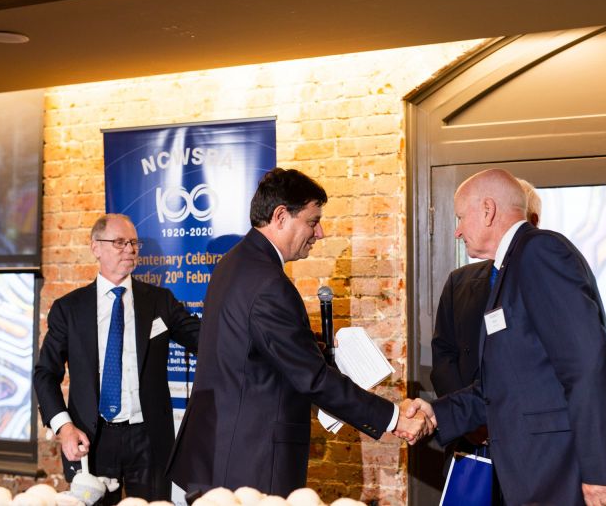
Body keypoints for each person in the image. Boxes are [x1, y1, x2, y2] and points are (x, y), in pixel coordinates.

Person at [167, 168, 432, 497]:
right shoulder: (269, 283)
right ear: (281, 216)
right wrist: (394, 418)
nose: (319, 232)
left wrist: (309, 345)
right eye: (312, 221)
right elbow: (313, 378)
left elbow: (253, 347)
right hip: (249, 460)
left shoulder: (235, 262)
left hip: (218, 452)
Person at [413, 169, 606, 506]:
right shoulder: (509, 267)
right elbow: (506, 385)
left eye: (460, 217)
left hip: (563, 470)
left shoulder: (540, 251)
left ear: (487, 210)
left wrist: (599, 471)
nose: (457, 230)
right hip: (534, 469)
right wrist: (436, 413)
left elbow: (587, 366)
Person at [33, 214, 201, 504]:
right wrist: (64, 427)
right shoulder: (69, 309)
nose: (130, 249)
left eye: (133, 243)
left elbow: (204, 339)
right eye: (120, 242)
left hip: (149, 441)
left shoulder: (160, 301)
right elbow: (45, 374)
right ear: (95, 247)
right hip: (90, 439)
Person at [430, 179, 541, 479]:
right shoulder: (459, 281)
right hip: (470, 441)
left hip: (528, 441)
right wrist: (468, 419)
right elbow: (443, 356)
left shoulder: (543, 272)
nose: (458, 230)